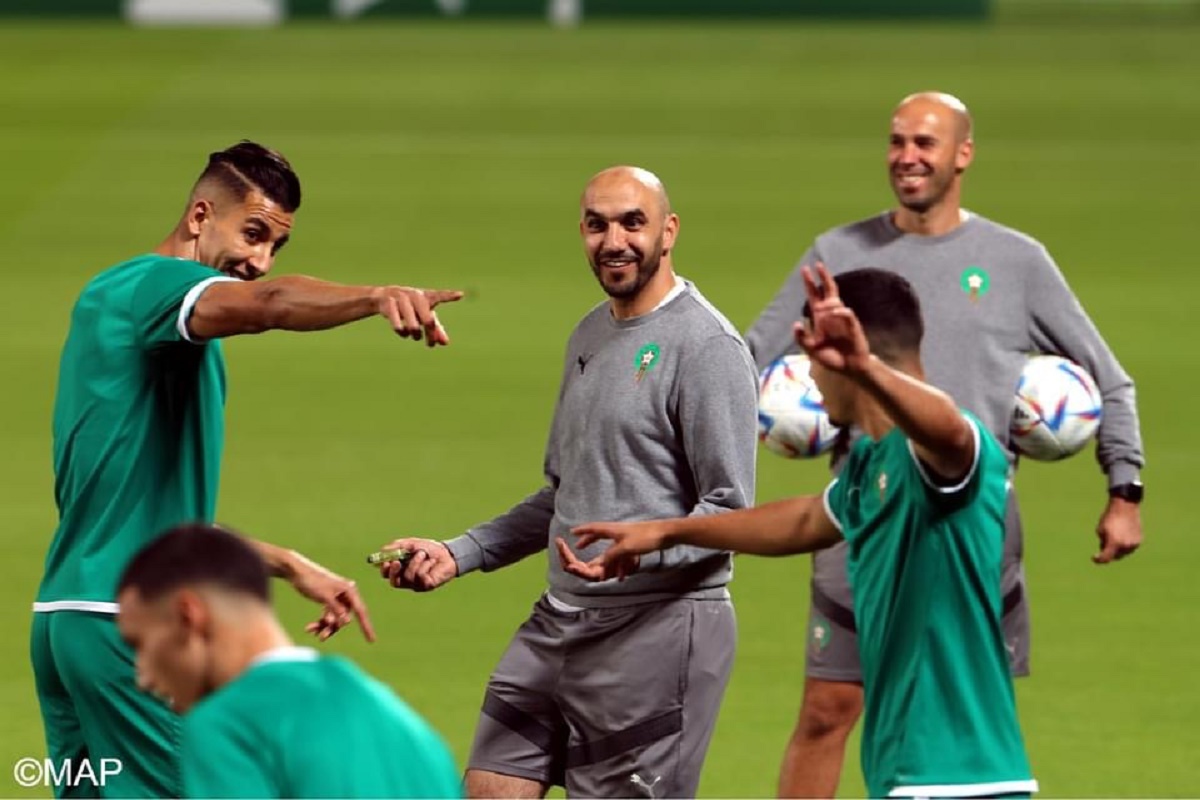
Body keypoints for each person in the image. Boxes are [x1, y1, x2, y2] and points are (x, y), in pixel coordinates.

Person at [32, 140, 464, 798]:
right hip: (133, 629)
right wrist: (376, 296)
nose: (259, 262)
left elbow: (148, 514)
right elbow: (271, 305)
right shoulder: (157, 288)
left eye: (275, 247)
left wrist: (286, 563)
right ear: (200, 215)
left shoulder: (112, 300)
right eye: (253, 234)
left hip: (65, 622)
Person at [744, 92, 1146, 797]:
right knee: (827, 708)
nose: (907, 157)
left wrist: (1125, 488)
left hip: (973, 523)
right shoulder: (838, 253)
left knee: (967, 700)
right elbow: (749, 356)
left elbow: (1108, 379)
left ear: (963, 154)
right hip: (865, 509)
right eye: (897, 141)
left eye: (925, 143)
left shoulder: (1017, 261)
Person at [561, 265, 1040, 799]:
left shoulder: (944, 456)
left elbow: (951, 432)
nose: (809, 374)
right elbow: (804, 520)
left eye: (813, 354)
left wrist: (863, 367)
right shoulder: (870, 464)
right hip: (917, 779)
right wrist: (667, 531)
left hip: (955, 778)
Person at [377, 165, 759, 799]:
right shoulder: (589, 333)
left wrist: (637, 549)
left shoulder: (707, 347)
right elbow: (566, 495)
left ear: (668, 231)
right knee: (487, 788)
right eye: (597, 225)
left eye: (633, 223)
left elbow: (731, 515)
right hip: (559, 622)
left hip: (656, 632)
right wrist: (459, 553)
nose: (614, 241)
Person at [116, 523, 463, 799]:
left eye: (140, 644)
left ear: (188, 616)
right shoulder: (408, 729)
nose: (142, 677)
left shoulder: (227, 727)